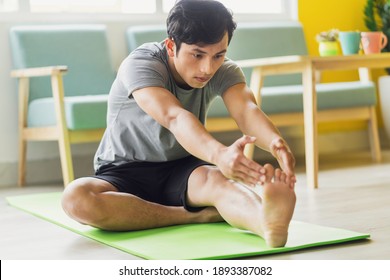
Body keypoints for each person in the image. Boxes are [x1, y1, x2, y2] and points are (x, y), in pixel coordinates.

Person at [62, 0, 297, 248]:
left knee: (221, 184)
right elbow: (174, 116)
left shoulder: (224, 70)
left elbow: (246, 110)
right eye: (197, 54)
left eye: (219, 55)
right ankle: (196, 215)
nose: (207, 68)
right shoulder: (141, 64)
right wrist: (219, 154)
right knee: (76, 198)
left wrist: (275, 142)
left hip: (183, 169)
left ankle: (267, 224)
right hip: (124, 171)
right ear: (172, 45)